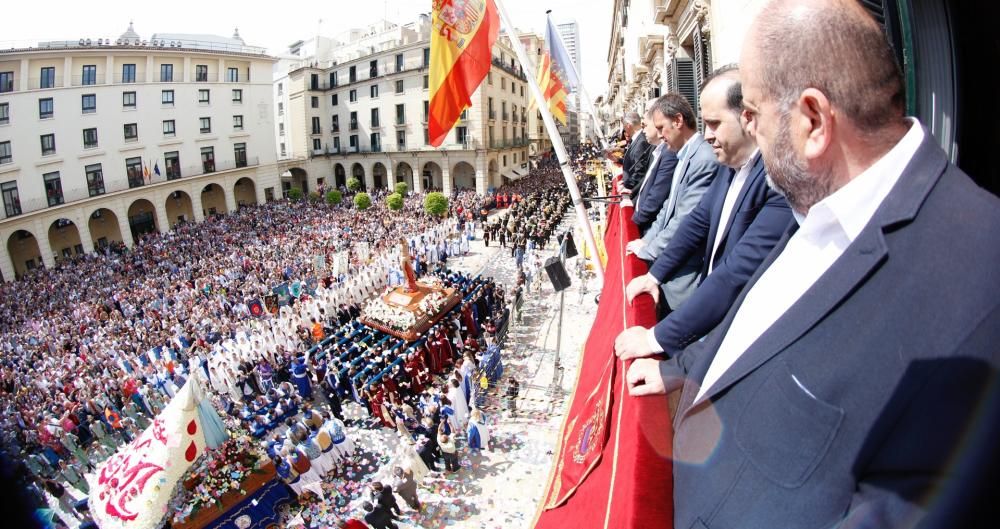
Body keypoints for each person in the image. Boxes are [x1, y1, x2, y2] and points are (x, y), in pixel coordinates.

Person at [624, 1, 1000, 527]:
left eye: (751, 113)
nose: (744, 131)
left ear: (814, 121)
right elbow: (754, 325)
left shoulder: (981, 287)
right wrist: (679, 367)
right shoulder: (818, 203)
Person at [615, 65, 793, 357]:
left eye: (714, 124)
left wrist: (656, 339)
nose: (707, 135)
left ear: (747, 117)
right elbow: (697, 222)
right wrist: (654, 275)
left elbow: (736, 271)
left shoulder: (778, 179)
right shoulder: (730, 166)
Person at [627, 94, 728, 311]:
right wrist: (646, 241)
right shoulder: (682, 154)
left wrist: (649, 250)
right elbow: (667, 209)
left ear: (678, 121)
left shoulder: (703, 160)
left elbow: (684, 219)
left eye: (662, 127)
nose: (660, 134)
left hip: (685, 276)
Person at [629, 105, 679, 236]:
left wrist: (635, 221)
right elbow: (646, 182)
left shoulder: (669, 153)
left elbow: (657, 195)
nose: (642, 130)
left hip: (650, 228)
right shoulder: (656, 150)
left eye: (645, 125)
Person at [618, 111, 655, 193]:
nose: (624, 129)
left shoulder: (641, 141)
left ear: (628, 125)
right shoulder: (636, 139)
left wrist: (627, 186)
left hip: (633, 191)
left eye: (624, 126)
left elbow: (640, 170)